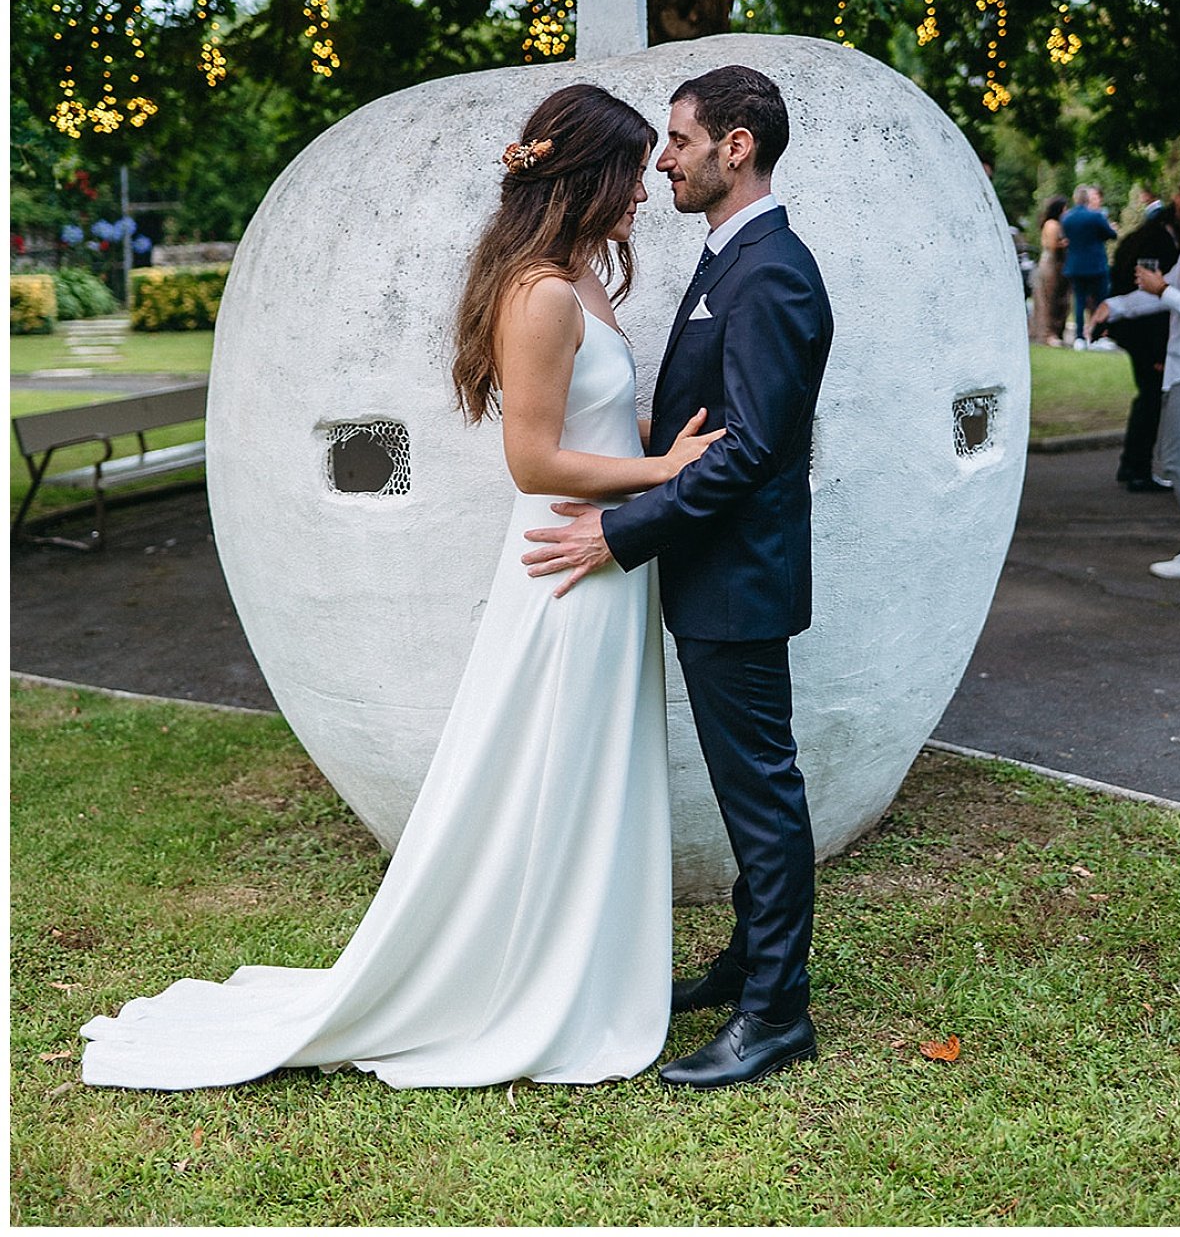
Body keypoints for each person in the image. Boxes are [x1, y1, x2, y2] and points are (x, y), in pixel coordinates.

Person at [80, 83, 726, 1091]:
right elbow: (533, 459)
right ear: (588, 177)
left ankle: (581, 962)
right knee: (550, 758)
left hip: (603, 557)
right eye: (632, 175)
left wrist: (649, 460)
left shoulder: (581, 277)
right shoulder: (543, 293)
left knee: (587, 759)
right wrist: (662, 472)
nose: (646, 193)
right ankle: (528, 977)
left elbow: (590, 428)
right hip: (566, 556)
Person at [522, 66, 834, 1090]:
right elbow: (700, 429)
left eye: (678, 140)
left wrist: (623, 532)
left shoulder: (772, 272)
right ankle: (749, 965)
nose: (662, 159)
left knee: (763, 795)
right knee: (755, 790)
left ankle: (776, 1013)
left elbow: (745, 452)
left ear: (733, 147)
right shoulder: (726, 259)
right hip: (710, 575)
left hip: (737, 580)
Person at [1093, 175, 1180, 581]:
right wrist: (1114, 306)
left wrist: (1163, 287)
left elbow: (1176, 299)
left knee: (1179, 462)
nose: (1177, 201)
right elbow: (1159, 298)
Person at [1097, 186, 1180, 491]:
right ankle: (1135, 467)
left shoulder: (1170, 243)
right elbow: (1159, 295)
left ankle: (1135, 466)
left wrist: (1156, 292)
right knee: (1154, 408)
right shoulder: (1171, 246)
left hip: (1166, 349)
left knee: (1176, 455)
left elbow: (1164, 293)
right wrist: (1117, 306)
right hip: (1155, 342)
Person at [1061, 184, 1117, 347]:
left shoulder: (1067, 218)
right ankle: (1098, 336)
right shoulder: (1096, 216)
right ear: (1087, 199)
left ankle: (1079, 338)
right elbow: (1111, 234)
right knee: (1100, 301)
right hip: (1095, 265)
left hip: (1075, 265)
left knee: (1079, 302)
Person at [1029, 195, 1069, 346]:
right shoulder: (1052, 224)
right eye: (1065, 208)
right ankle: (1047, 334)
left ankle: (1054, 332)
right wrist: (1066, 243)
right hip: (1051, 263)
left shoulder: (1056, 223)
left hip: (1057, 263)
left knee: (1057, 298)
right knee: (1048, 297)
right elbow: (1053, 245)